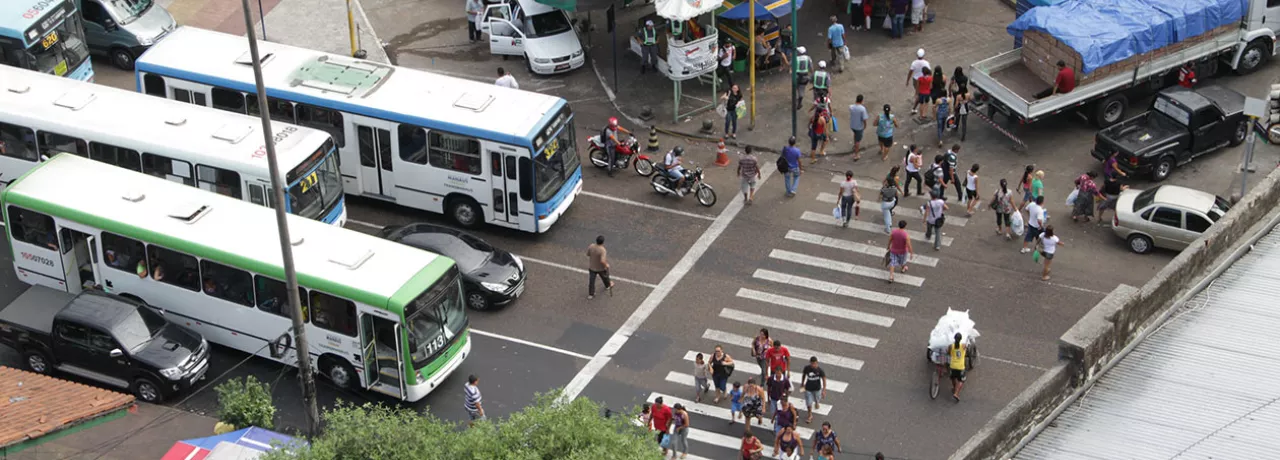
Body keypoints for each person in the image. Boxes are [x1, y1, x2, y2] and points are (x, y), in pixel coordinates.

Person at [801, 357, 826, 423]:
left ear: (817, 363)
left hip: (817, 389)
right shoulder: (807, 368)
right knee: (809, 403)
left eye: (814, 364)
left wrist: (824, 390)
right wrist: (802, 383)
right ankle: (810, 415)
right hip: (808, 389)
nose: (813, 365)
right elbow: (804, 375)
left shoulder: (820, 370)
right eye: (812, 364)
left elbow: (824, 379)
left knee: (817, 398)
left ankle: (817, 402)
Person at [848, 94, 869, 160]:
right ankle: (856, 155)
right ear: (862, 100)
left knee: (855, 135)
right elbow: (864, 119)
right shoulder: (862, 109)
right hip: (859, 127)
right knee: (858, 141)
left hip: (852, 125)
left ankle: (855, 146)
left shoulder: (851, 107)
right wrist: (865, 125)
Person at [947, 332, 967, 401]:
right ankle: (956, 393)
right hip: (960, 366)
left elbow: (948, 352)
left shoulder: (951, 346)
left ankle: (954, 387)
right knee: (961, 380)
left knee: (953, 378)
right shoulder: (963, 346)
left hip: (953, 366)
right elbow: (966, 347)